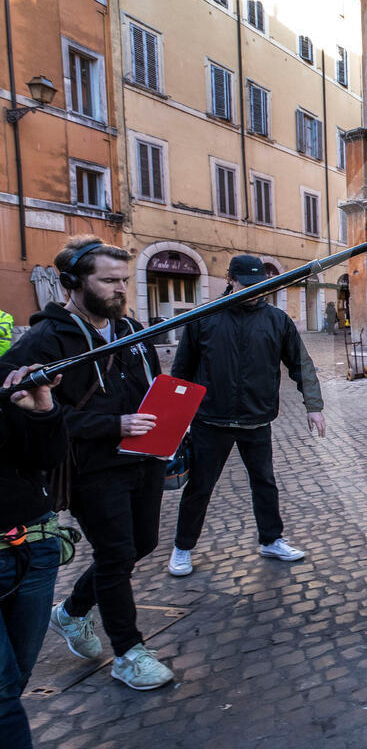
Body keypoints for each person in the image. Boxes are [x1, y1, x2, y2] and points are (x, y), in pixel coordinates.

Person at [5, 236, 174, 690]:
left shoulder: (130, 330)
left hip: (145, 459)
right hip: (91, 469)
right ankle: (129, 652)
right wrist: (111, 424)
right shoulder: (45, 339)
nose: (121, 289)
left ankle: (72, 611)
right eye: (109, 280)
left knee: (142, 544)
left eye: (124, 280)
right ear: (72, 283)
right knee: (116, 554)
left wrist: (171, 422)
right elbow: (23, 406)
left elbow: (150, 386)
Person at [167, 255, 327, 577]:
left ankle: (271, 539)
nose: (255, 292)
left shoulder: (277, 320)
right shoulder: (203, 318)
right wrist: (173, 422)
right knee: (199, 487)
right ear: (230, 279)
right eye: (247, 285)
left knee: (265, 483)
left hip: (257, 419)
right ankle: (182, 547)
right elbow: (181, 372)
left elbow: (301, 364)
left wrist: (314, 406)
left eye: (260, 286)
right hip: (210, 421)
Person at [1, 365, 66, 749]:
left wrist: (43, 412)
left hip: (34, 546)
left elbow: (47, 458)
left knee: (16, 680)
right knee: (3, 695)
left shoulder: (7, 369)